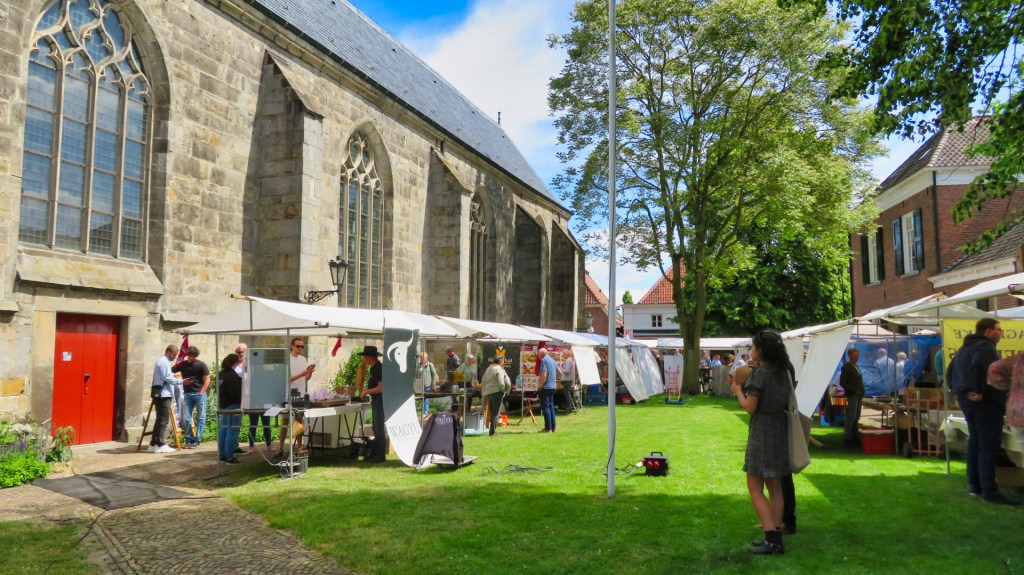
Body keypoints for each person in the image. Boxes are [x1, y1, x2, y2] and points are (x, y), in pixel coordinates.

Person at [730, 329, 791, 556]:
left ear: (761, 350)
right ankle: (775, 536)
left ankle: (772, 540)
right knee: (775, 486)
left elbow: (750, 407)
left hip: (762, 432)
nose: (751, 350)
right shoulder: (782, 371)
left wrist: (738, 390)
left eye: (753, 346)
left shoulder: (760, 374)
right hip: (779, 430)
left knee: (754, 486)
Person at [950, 318, 1017, 505]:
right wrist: (978, 391)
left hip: (967, 400)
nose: (1001, 333)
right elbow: (980, 365)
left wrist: (956, 390)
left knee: (976, 442)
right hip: (985, 403)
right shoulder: (986, 347)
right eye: (999, 329)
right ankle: (989, 490)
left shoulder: (965, 348)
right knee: (988, 445)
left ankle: (975, 487)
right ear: (988, 331)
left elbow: (950, 370)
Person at [278, 338, 316, 454]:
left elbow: (306, 378)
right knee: (285, 421)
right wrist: (303, 374)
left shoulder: (303, 359)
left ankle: (299, 448)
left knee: (298, 422)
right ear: (292, 346)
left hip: (301, 394)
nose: (300, 348)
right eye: (298, 346)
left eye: (302, 347)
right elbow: (288, 379)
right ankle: (280, 448)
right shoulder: (287, 359)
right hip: (289, 394)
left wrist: (309, 373)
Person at [237, 343, 274, 454]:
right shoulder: (241, 367)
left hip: (263, 399)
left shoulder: (259, 368)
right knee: (253, 424)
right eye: (239, 352)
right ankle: (251, 446)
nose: (241, 354)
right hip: (252, 400)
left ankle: (269, 444)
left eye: (243, 352)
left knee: (266, 424)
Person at [172, 346, 210, 449]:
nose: (191, 358)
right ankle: (189, 440)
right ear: (187, 355)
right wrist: (179, 360)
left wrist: (202, 392)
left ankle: (197, 439)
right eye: (189, 356)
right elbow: (173, 369)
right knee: (187, 418)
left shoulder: (201, 365)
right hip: (188, 394)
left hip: (199, 394)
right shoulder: (183, 364)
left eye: (193, 356)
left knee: (201, 417)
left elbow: (207, 379)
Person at [149, 345, 180, 453]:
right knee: (163, 420)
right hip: (163, 394)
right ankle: (160, 444)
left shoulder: (163, 361)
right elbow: (167, 377)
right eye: (174, 355)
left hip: (162, 393)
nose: (175, 357)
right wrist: (181, 381)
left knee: (160, 420)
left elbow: (165, 376)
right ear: (168, 352)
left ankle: (154, 444)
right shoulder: (164, 361)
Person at [360, 345, 387, 462]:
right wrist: (368, 389)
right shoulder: (374, 368)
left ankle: (380, 454)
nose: (364, 359)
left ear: (370, 357)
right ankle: (375, 453)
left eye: (365, 357)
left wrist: (367, 391)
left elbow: (380, 388)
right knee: (375, 427)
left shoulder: (378, 369)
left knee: (378, 427)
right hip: (376, 400)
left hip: (379, 400)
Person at [217, 353, 243, 465]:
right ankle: (230, 457)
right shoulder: (232, 375)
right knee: (232, 431)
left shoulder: (221, 374)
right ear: (235, 363)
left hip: (223, 406)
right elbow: (235, 393)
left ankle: (222, 455)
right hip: (233, 406)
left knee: (223, 431)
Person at [481, 355, 512, 435]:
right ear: (501, 361)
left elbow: (483, 380)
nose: (504, 362)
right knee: (496, 412)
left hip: (488, 392)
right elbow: (501, 382)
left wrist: (485, 390)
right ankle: (493, 432)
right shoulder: (499, 368)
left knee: (492, 412)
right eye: (503, 360)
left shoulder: (489, 368)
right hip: (497, 391)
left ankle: (492, 431)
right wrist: (503, 390)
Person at [840, 348, 865, 447]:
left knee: (856, 417)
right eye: (855, 355)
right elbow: (843, 382)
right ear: (850, 356)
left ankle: (855, 436)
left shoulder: (856, 366)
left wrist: (862, 390)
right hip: (852, 395)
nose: (857, 357)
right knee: (851, 416)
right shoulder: (847, 367)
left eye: (858, 355)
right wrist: (854, 390)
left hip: (859, 394)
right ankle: (847, 437)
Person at [538, 347, 559, 432]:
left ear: (541, 354)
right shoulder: (553, 360)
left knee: (546, 407)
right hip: (552, 386)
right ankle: (553, 427)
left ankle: (548, 428)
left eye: (538, 354)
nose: (538, 356)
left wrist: (540, 386)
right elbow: (560, 372)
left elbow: (544, 374)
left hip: (545, 387)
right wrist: (553, 379)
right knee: (551, 406)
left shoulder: (544, 360)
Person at [417, 352, 439, 416]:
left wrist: (433, 385)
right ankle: (424, 411)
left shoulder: (430, 365)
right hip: (420, 384)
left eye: (423, 357)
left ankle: (426, 412)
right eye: (421, 358)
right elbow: (417, 375)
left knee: (426, 398)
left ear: (426, 357)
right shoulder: (419, 365)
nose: (422, 359)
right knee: (422, 398)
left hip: (427, 384)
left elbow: (434, 375)